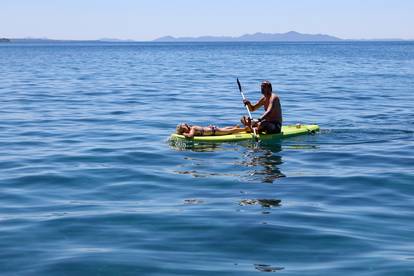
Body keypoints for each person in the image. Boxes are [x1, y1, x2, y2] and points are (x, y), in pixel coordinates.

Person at [176, 123, 249, 138]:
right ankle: (235, 127)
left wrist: (184, 135)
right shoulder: (193, 128)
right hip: (212, 129)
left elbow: (190, 136)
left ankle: (245, 129)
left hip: (214, 131)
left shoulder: (193, 128)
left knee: (230, 131)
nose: (184, 132)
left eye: (183, 130)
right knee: (225, 129)